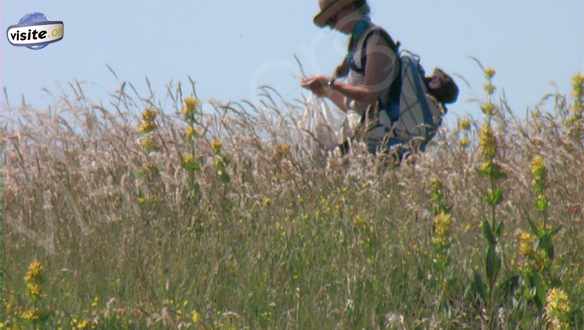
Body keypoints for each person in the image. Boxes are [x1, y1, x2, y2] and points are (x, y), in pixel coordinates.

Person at [301, 0, 400, 155]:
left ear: (350, 7)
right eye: (329, 23)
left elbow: (369, 94)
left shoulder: (376, 40)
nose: (333, 26)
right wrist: (326, 90)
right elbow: (354, 107)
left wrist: (331, 83)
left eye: (333, 19)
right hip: (362, 137)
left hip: (380, 142)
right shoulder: (359, 43)